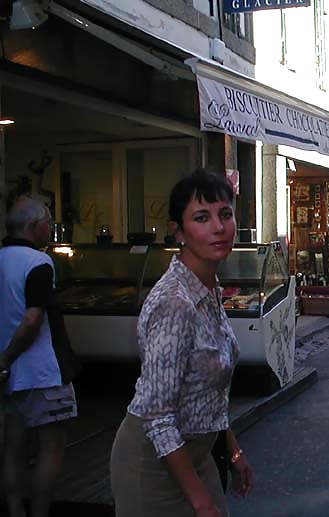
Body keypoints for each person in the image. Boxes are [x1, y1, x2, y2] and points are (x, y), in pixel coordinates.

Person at [110, 170, 254, 517]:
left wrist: (233, 451)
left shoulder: (209, 288)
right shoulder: (174, 302)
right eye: (202, 217)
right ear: (179, 232)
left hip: (198, 458)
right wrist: (200, 500)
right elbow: (158, 416)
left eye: (225, 213)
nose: (219, 227)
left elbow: (209, 393)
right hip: (154, 466)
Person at [0, 197, 80, 517]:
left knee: (14, 448)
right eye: (48, 222)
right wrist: (7, 357)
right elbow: (34, 318)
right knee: (51, 448)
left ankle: (15, 510)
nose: (51, 228)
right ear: (34, 227)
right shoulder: (39, 263)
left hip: (10, 377)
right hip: (44, 372)